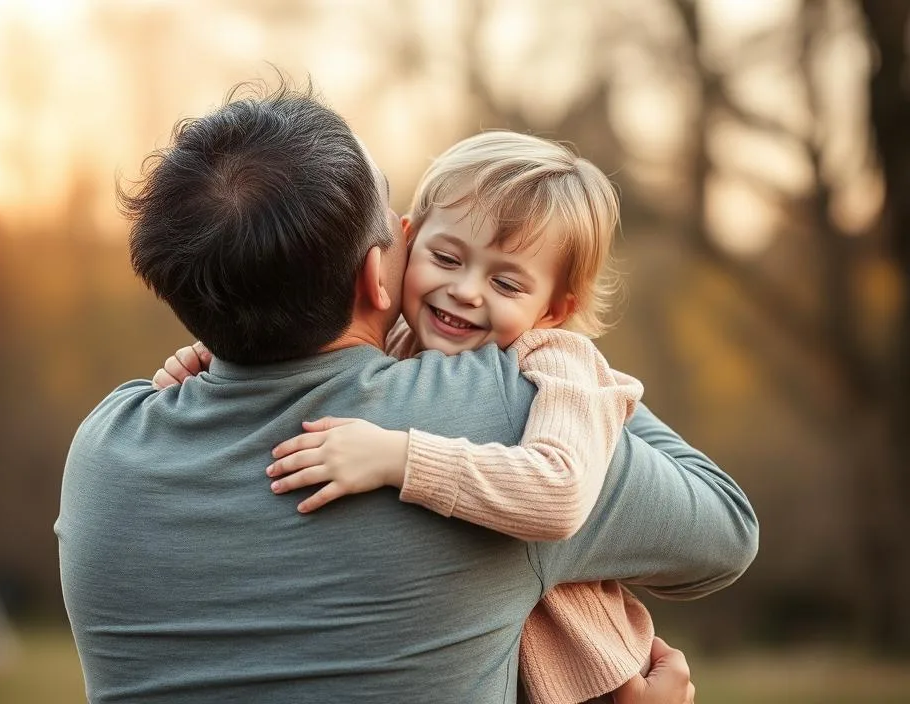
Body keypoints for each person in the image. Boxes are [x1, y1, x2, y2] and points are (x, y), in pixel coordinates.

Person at [57, 79, 757, 704]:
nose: (461, 284)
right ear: (377, 275)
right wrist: (557, 349)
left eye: (506, 280)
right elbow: (726, 529)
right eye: (410, 237)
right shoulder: (500, 411)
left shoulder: (103, 450)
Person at [156, 131, 658, 703]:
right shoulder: (393, 339)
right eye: (445, 258)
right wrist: (216, 360)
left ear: (555, 308)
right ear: (407, 243)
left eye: (505, 281)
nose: (464, 290)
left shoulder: (557, 360)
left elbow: (562, 489)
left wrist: (399, 457)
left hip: (586, 677)